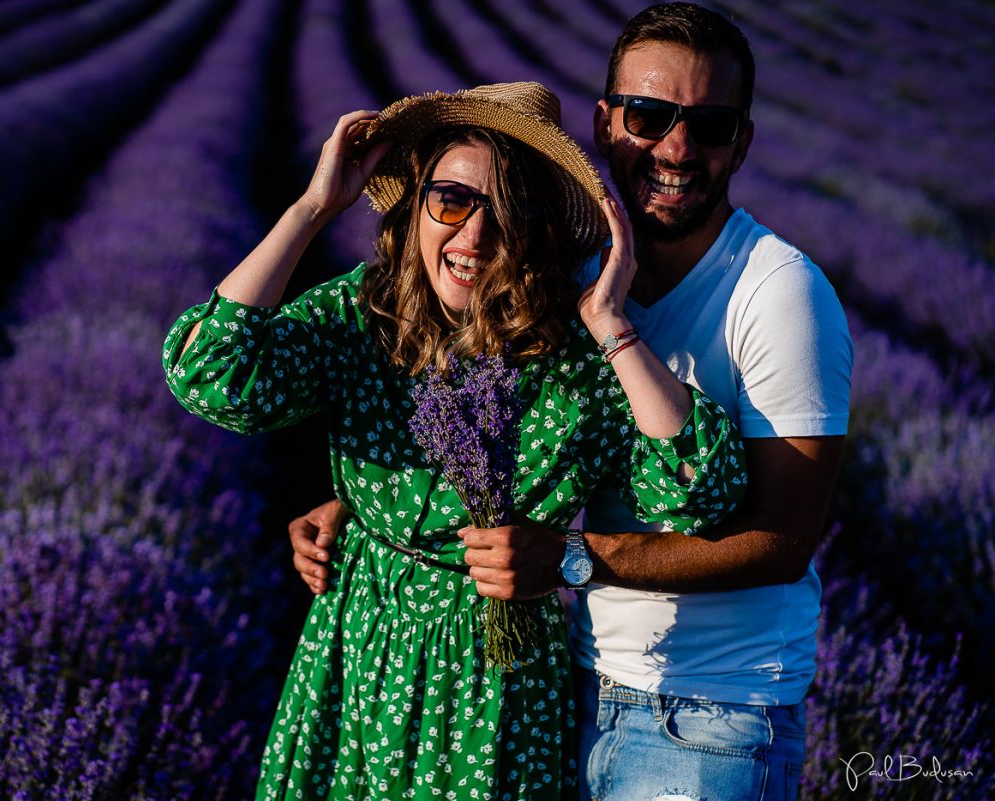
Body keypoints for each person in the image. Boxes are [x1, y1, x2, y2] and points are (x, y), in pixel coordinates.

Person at [289, 5, 853, 800]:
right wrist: (367, 506)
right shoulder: (565, 264)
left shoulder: (779, 293)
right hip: (573, 682)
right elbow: (495, 432)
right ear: (607, 121)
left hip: (706, 711)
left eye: (712, 124)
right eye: (650, 116)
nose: (678, 149)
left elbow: (785, 541)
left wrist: (572, 557)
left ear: (745, 140)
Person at [164, 81, 747, 800]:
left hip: (491, 686)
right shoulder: (362, 314)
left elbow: (699, 490)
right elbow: (211, 374)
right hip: (353, 651)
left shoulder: (576, 363)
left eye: (508, 212)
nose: (474, 236)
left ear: (538, 232)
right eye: (451, 200)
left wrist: (611, 323)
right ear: (414, 208)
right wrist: (312, 209)